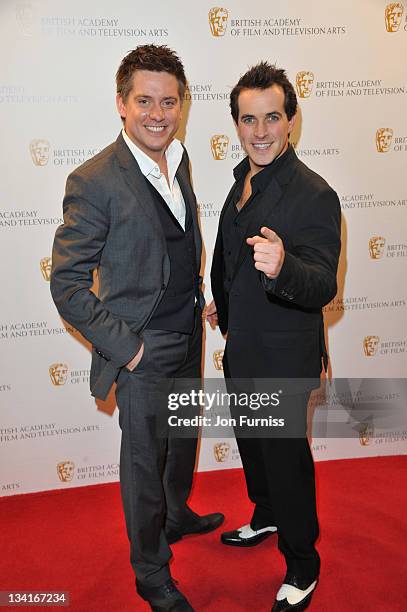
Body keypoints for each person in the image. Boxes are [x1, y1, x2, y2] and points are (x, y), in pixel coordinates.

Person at [51, 44, 223, 612]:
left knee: (182, 442)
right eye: (144, 101)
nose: (158, 113)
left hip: (188, 335)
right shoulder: (95, 179)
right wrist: (129, 351)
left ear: (183, 105)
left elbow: (178, 244)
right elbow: (68, 285)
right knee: (144, 462)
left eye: (169, 101)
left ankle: (176, 515)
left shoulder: (181, 158)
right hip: (143, 349)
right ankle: (151, 572)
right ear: (122, 105)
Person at [208, 62, 341, 611]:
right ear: (236, 125)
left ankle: (303, 563)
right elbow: (233, 253)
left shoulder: (313, 194)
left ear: (291, 121)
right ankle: (265, 516)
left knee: (285, 460)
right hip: (243, 344)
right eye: (248, 120)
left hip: (284, 356)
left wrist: (284, 266)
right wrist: (228, 300)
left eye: (272, 118)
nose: (260, 131)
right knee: (252, 446)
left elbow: (322, 282)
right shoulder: (242, 178)